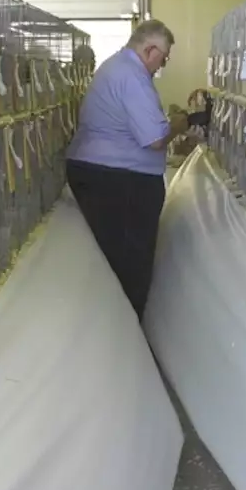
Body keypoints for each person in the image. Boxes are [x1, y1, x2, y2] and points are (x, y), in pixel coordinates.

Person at [66, 19, 189, 320]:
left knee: (115, 257)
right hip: (119, 181)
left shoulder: (116, 68)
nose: (163, 64)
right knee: (129, 262)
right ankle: (128, 327)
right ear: (150, 50)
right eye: (164, 56)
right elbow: (155, 138)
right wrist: (179, 123)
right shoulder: (132, 76)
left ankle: (118, 329)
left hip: (105, 174)